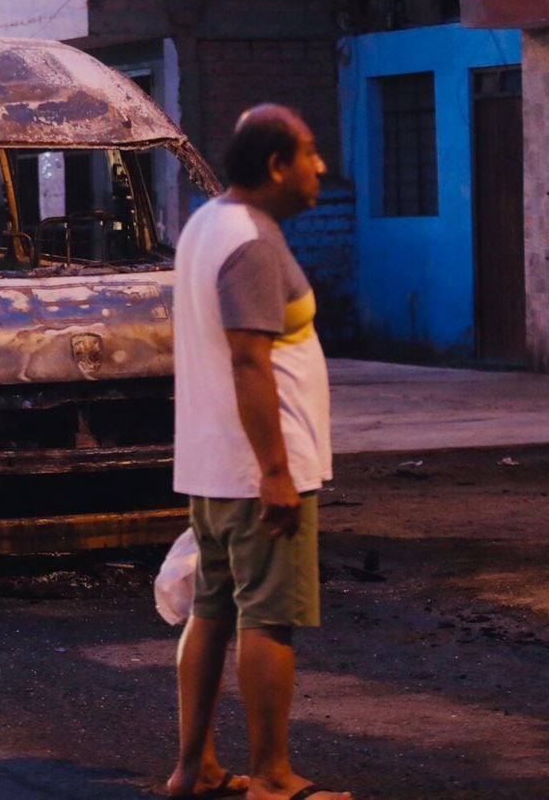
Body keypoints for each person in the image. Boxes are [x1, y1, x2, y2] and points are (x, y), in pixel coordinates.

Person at [166, 105, 351, 800]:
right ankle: (272, 776)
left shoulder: (207, 223)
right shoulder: (251, 241)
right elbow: (250, 362)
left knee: (212, 611)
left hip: (215, 467)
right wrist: (275, 471)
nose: (321, 167)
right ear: (276, 165)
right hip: (259, 473)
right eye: (310, 153)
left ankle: (195, 769)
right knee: (268, 617)